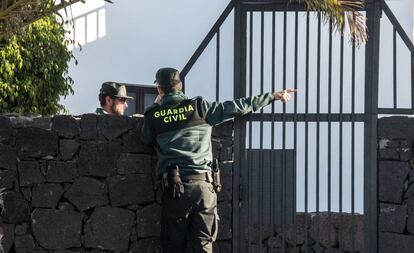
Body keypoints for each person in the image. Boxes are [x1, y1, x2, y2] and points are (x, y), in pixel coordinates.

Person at [139, 67, 296, 253]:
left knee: (173, 245)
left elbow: (145, 139)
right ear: (180, 85)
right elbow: (236, 106)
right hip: (204, 186)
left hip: (175, 189)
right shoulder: (200, 107)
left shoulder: (152, 115)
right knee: (204, 245)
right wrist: (272, 96)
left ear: (159, 89)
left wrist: (157, 106)